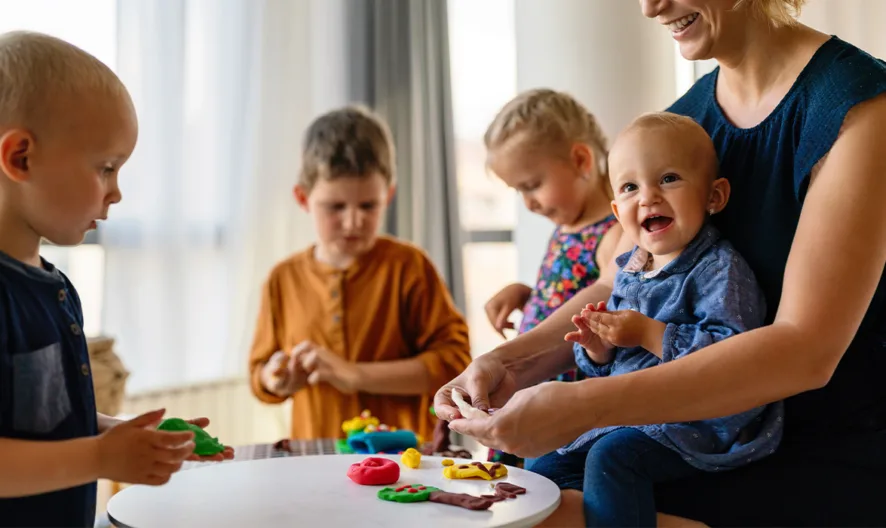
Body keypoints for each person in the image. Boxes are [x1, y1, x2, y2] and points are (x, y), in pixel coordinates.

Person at [435, 0, 886, 525]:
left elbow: (805, 351)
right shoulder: (684, 121)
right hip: (674, 434)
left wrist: (590, 404)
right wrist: (505, 365)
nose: (650, 8)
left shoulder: (857, 107)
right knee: (523, 504)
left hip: (813, 458)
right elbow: (617, 282)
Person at [0, 31, 232, 528]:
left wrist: (123, 436)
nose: (116, 193)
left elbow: (43, 427)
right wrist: (100, 458)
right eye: (105, 168)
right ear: (21, 158)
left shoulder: (56, 288)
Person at [527, 111, 778, 526]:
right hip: (632, 412)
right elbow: (613, 367)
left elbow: (734, 357)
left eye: (668, 179)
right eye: (630, 187)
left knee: (614, 459)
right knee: (544, 461)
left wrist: (649, 333)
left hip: (697, 420)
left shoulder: (720, 270)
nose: (648, 197)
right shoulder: (631, 269)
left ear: (714, 196)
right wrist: (599, 349)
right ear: (617, 210)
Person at [248, 106, 471, 443]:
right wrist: (273, 377)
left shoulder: (410, 267)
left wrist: (354, 375)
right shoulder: (283, 279)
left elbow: (454, 363)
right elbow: (259, 374)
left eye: (368, 206)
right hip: (314, 458)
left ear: (389, 195)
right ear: (303, 198)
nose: (353, 222)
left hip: (403, 462)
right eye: (335, 207)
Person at [481, 89, 621, 466]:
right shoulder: (567, 226)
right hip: (529, 386)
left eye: (531, 185)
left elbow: (606, 292)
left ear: (580, 160)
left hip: (564, 396)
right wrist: (526, 293)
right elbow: (568, 289)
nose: (528, 203)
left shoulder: (613, 232)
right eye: (518, 191)